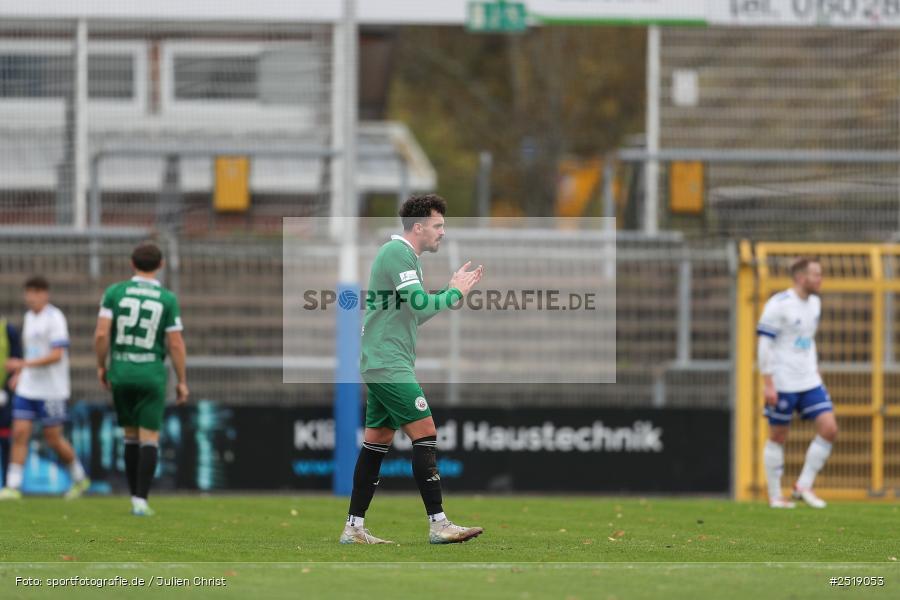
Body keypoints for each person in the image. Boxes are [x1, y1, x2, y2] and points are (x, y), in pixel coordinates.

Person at [341, 194, 484, 545]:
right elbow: (419, 307)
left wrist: (449, 291)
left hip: (384, 362)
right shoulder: (397, 253)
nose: (442, 232)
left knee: (376, 443)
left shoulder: (407, 259)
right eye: (438, 225)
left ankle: (353, 528)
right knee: (425, 432)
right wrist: (453, 293)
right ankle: (439, 524)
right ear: (418, 227)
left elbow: (412, 314)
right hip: (387, 363)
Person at [94, 241, 188, 516]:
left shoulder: (114, 292)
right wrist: (182, 380)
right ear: (161, 265)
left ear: (132, 264)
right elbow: (176, 343)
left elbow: (101, 334)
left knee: (130, 436)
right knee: (149, 438)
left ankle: (133, 496)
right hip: (151, 372)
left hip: (121, 370)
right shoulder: (167, 299)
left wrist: (102, 366)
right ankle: (140, 500)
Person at [757, 256, 837, 509]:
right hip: (783, 382)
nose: (820, 279)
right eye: (816, 274)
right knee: (778, 435)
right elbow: (764, 345)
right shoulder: (778, 305)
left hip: (809, 380)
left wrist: (815, 370)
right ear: (801, 278)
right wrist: (768, 383)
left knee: (829, 428)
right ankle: (775, 495)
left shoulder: (815, 303)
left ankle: (803, 486)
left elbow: (807, 341)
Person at [0, 276, 89, 500]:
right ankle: (13, 485)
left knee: (53, 438)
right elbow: (31, 352)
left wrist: (22, 365)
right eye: (28, 293)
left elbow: (57, 355)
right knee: (19, 433)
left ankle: (79, 477)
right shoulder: (29, 317)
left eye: (35, 292)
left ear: (44, 294)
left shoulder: (55, 318)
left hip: (51, 389)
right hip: (28, 388)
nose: (30, 297)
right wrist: (20, 374)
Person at [0, 315, 22, 485]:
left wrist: (15, 377)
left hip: (4, 394)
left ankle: (8, 482)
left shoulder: (7, 329)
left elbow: (17, 359)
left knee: (5, 438)